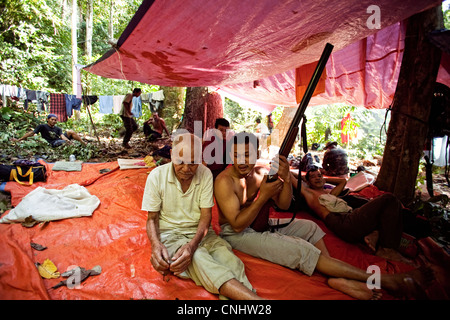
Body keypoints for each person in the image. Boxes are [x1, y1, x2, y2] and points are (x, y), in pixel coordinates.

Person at [214, 132, 432, 300]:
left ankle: (335, 277)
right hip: (236, 233)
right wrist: (263, 198)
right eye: (235, 155)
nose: (241, 161)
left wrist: (285, 178)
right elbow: (236, 224)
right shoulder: (225, 181)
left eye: (246, 155)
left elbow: (283, 204)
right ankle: (384, 280)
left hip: (258, 222)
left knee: (310, 228)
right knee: (302, 251)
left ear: (256, 153)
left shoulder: (260, 172)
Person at [142, 133, 262, 300]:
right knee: (199, 259)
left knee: (231, 262)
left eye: (193, 163)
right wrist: (155, 244)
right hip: (171, 235)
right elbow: (152, 218)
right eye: (180, 162)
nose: (186, 168)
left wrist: (192, 245)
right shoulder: (156, 177)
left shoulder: (205, 174)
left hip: (202, 233)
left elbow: (206, 217)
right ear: (171, 155)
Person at [297, 167, 413, 265]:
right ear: (307, 182)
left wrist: (322, 179)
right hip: (344, 222)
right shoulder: (310, 194)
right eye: (313, 177)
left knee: (382, 208)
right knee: (389, 199)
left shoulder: (330, 193)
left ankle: (374, 233)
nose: (318, 178)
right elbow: (290, 175)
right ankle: (387, 249)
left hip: (350, 217)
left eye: (319, 175)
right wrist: (303, 179)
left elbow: (342, 181)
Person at [14, 114, 86, 147]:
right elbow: (31, 133)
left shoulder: (58, 128)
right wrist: (19, 139)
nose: (54, 121)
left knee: (71, 131)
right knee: (62, 142)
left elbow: (62, 136)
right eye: (52, 120)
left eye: (55, 120)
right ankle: (69, 143)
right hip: (52, 143)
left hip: (59, 139)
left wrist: (67, 141)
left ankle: (83, 143)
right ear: (47, 120)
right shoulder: (42, 126)